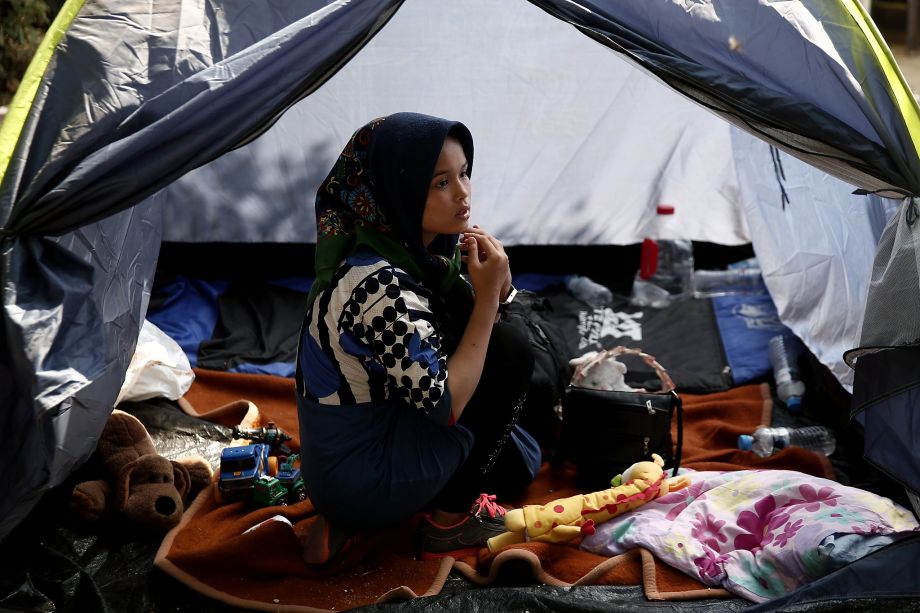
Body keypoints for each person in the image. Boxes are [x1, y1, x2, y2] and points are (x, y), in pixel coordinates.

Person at [296, 112, 540, 562]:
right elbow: (446, 406)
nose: (463, 193)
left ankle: (350, 517)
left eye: (464, 173)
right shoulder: (379, 286)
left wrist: (494, 291)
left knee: (517, 448)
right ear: (400, 191)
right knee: (511, 350)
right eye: (440, 183)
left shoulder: (400, 251)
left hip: (346, 464)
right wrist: (488, 303)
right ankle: (448, 522)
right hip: (363, 478)